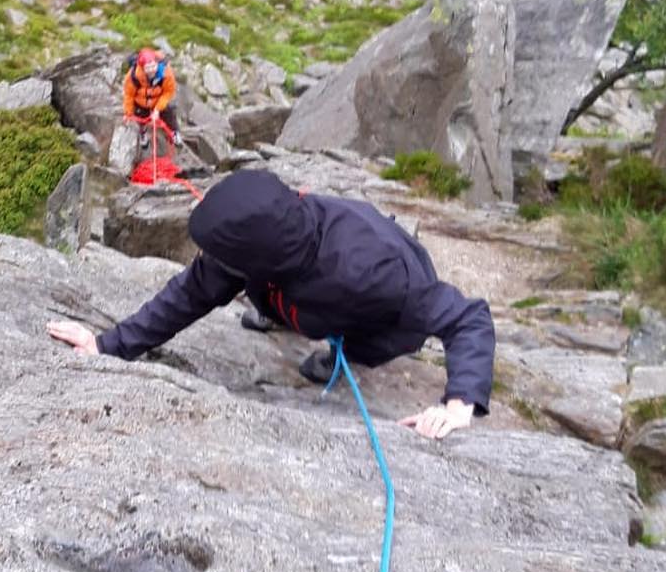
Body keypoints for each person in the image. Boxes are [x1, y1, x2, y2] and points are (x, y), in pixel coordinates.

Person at [47, 168, 494, 441]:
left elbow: (466, 317)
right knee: (285, 300)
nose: (210, 263)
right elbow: (190, 294)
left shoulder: (371, 274)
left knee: (375, 335)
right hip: (292, 280)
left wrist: (458, 404)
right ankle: (281, 313)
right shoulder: (261, 242)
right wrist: (108, 346)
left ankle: (345, 353)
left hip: (383, 303)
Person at [122, 47, 179, 142]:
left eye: (153, 66)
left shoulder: (166, 73)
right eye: (148, 67)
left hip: (159, 100)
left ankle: (174, 133)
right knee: (139, 117)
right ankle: (143, 133)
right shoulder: (133, 77)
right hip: (141, 102)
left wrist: (157, 109)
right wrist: (128, 113)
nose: (151, 70)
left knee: (169, 113)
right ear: (142, 67)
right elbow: (129, 95)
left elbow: (168, 92)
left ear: (157, 63)